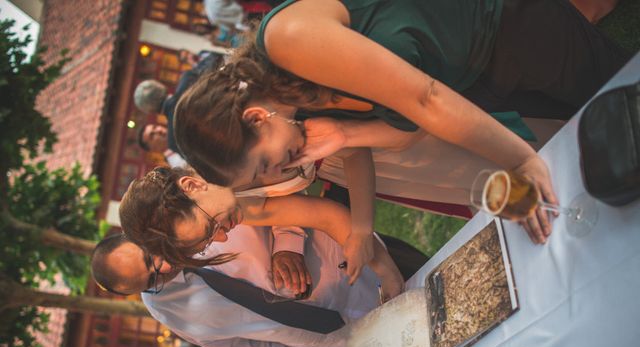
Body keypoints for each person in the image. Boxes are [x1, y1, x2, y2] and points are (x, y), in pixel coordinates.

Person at [173, 0, 630, 247]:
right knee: (601, 127)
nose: (280, 175)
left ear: (256, 118)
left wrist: (520, 160)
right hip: (478, 81)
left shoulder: (289, 42)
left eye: (264, 167)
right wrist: (348, 134)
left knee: (621, 93)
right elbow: (411, 127)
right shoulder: (295, 108)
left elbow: (425, 98)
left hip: (502, 28)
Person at [91, 220, 417, 347]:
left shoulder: (184, 209)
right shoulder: (167, 311)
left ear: (136, 234)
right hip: (341, 338)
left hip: (360, 265)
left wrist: (286, 243)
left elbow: (276, 197)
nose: (163, 268)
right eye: (151, 280)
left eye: (150, 257)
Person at [118, 166, 404, 293]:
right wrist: (389, 276)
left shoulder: (232, 147)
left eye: (209, 226)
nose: (223, 236)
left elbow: (349, 142)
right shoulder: (235, 205)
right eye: (208, 240)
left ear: (191, 186)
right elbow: (326, 216)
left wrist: (363, 232)